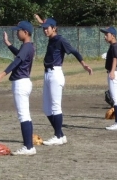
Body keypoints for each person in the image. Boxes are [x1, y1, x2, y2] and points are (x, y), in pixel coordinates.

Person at [34, 15, 93, 145]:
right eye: (43, 28)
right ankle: (60, 135)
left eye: (47, 28)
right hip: (47, 74)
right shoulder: (51, 38)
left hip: (55, 73)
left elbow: (74, 51)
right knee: (46, 108)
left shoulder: (60, 39)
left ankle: (57, 136)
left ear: (54, 28)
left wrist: (84, 64)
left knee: (56, 106)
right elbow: (45, 24)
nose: (45, 30)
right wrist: (41, 21)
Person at [0, 21, 36, 155]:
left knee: (24, 116)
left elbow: (17, 61)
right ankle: (29, 146)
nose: (17, 33)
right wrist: (8, 43)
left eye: (19, 30)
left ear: (25, 32)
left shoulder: (26, 46)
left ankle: (28, 147)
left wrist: (2, 75)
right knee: (25, 115)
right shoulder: (28, 46)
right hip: (24, 82)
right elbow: (19, 55)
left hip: (21, 83)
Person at [101, 27, 117, 130]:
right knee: (116, 100)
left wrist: (112, 71)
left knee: (116, 100)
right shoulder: (116, 45)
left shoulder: (114, 45)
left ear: (113, 35)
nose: (105, 37)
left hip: (115, 73)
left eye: (107, 35)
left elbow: (115, 58)